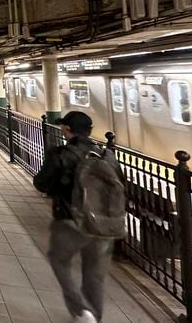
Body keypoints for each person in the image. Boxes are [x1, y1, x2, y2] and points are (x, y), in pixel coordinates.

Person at [33, 111, 119, 323]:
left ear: (67, 130)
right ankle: (94, 317)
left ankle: (81, 311)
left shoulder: (61, 154)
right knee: (94, 273)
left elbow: (41, 183)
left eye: (63, 127)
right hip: (103, 224)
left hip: (70, 220)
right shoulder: (105, 156)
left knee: (59, 260)